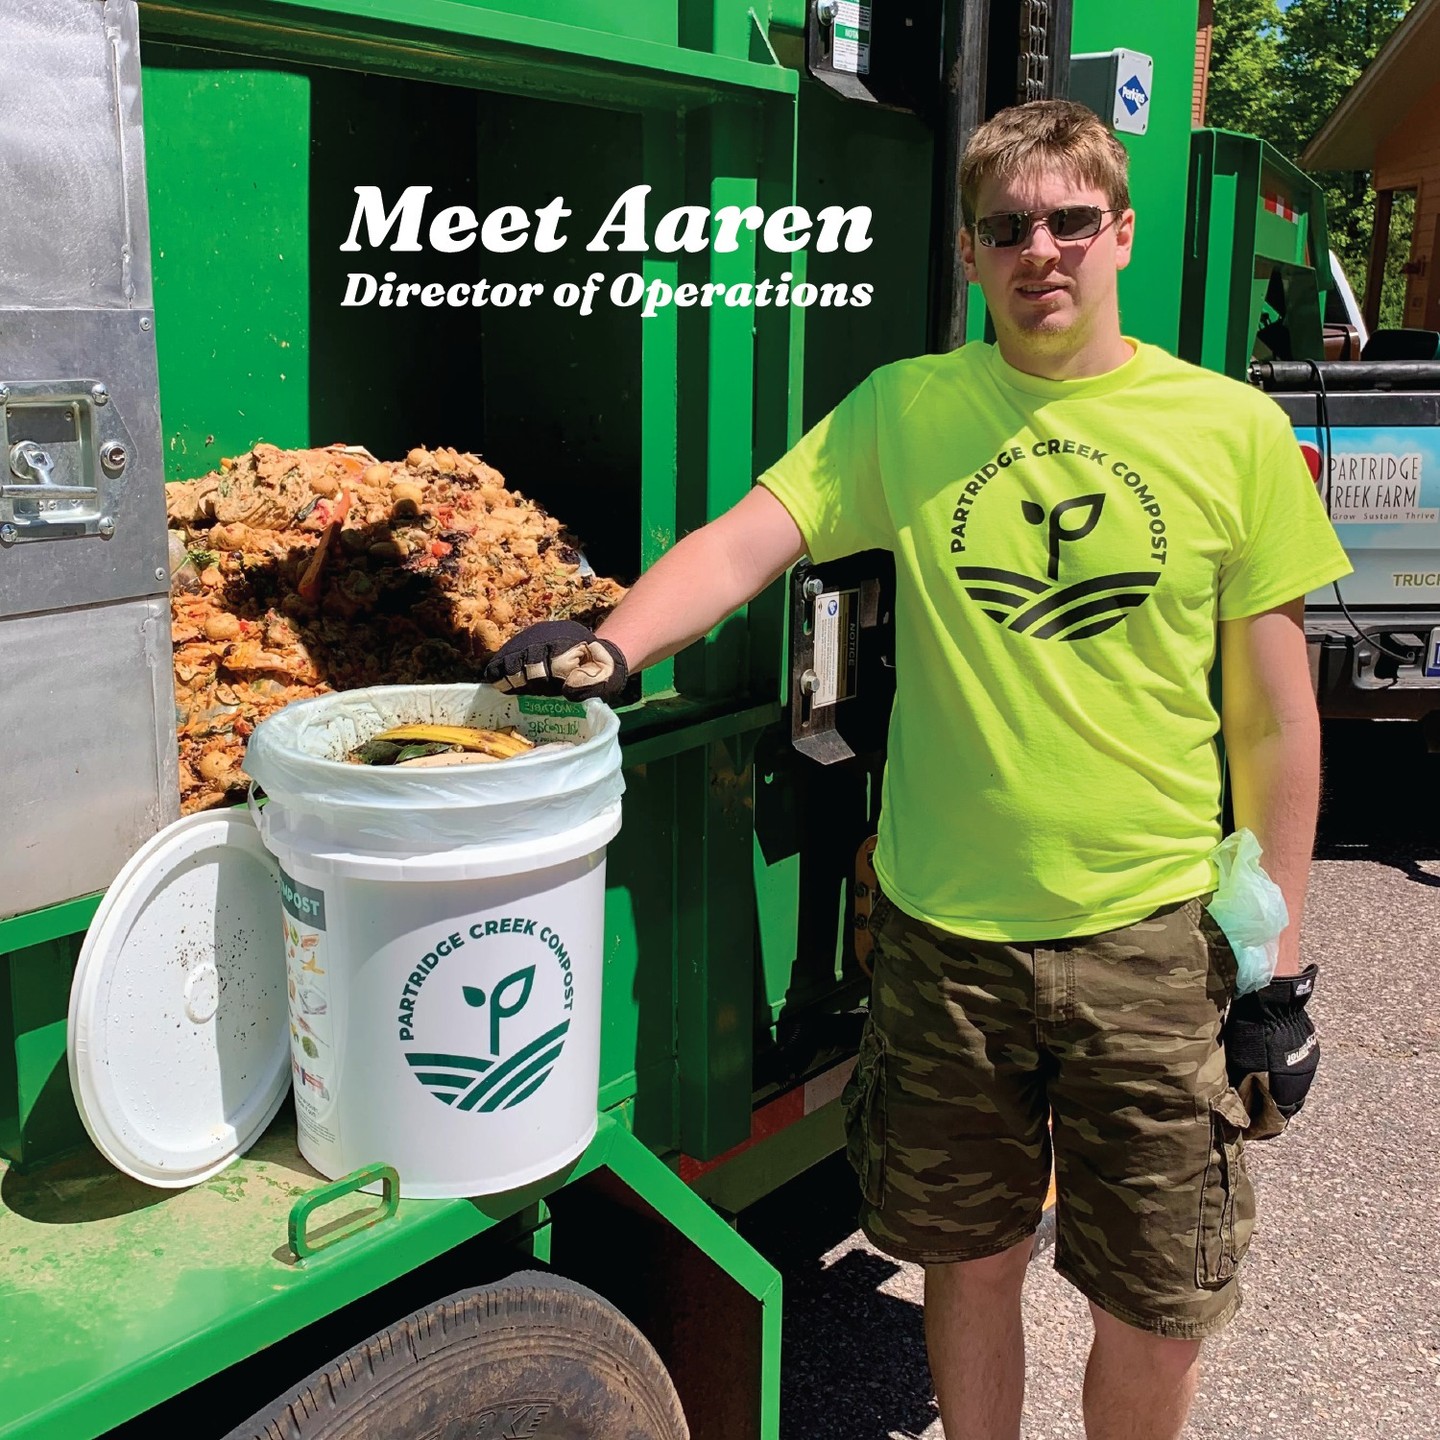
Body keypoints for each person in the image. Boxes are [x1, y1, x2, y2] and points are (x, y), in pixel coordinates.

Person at [485, 100, 1351, 1440]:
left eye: (1072, 220)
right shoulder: (910, 409)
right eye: (1008, 228)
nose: (1041, 250)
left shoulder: (1227, 430)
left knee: (1158, 1307)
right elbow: (745, 540)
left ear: (1123, 231)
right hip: (949, 945)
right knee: (971, 1260)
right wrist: (616, 646)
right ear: (969, 253)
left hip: (1152, 943)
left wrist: (1277, 966)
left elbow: (1277, 723)